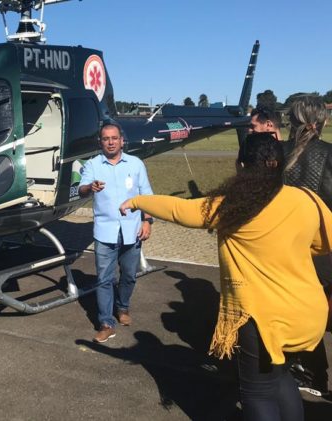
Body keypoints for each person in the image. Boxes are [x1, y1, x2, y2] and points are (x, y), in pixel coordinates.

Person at [120, 133, 330, 420]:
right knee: (280, 377)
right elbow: (323, 243)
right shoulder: (307, 199)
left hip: (264, 319)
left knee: (257, 390)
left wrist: (136, 201)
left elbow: (181, 209)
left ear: (241, 166)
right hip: (307, 313)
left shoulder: (232, 206)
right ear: (280, 165)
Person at [78, 123, 154, 343]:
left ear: (122, 140)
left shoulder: (136, 164)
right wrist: (89, 187)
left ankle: (122, 307)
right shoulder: (92, 165)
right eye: (105, 138)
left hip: (132, 231)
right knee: (104, 279)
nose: (110, 142)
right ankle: (105, 322)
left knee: (129, 276)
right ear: (100, 142)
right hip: (105, 232)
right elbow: (81, 188)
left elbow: (146, 196)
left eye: (114, 138)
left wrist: (147, 221)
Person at [282, 94, 331, 398]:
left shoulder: (278, 153)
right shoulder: (328, 153)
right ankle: (315, 374)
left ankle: (299, 367)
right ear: (321, 121)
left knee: (290, 313)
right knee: (318, 315)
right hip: (322, 249)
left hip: (284, 250)